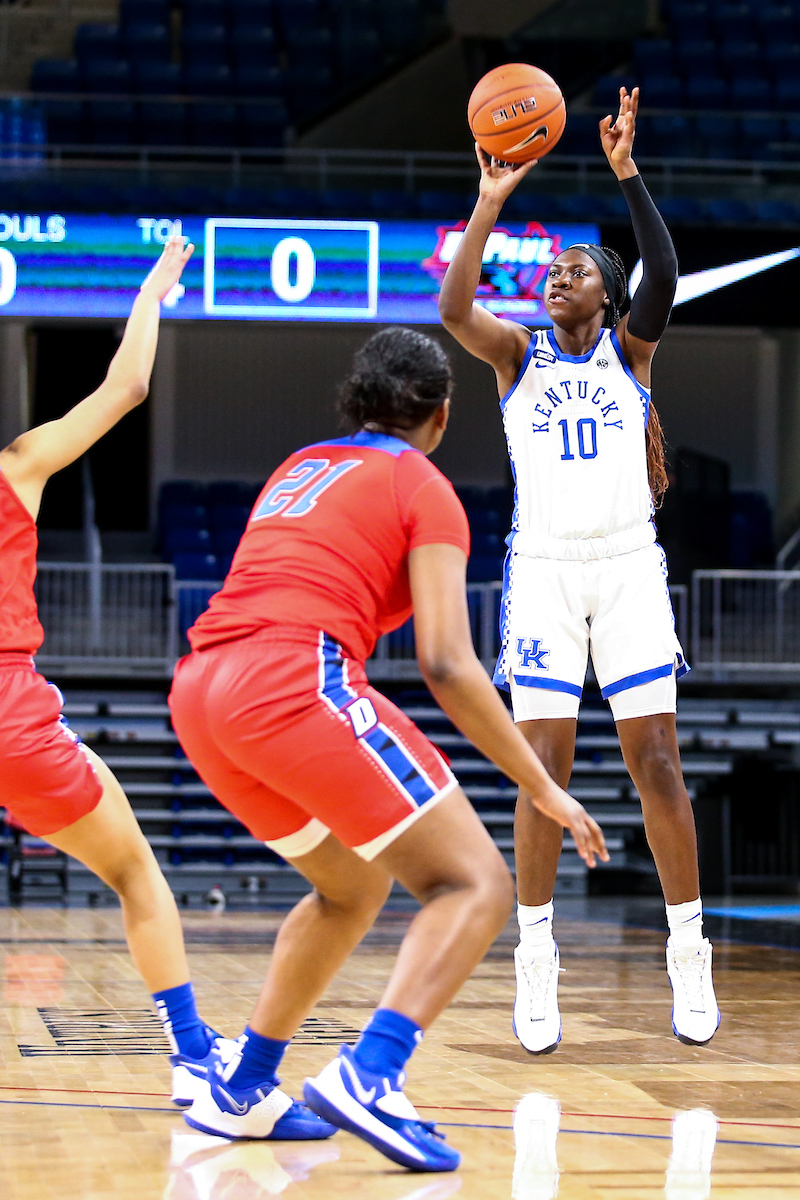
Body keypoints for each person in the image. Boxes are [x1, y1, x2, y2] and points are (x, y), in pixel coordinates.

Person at [168, 325, 608, 1173]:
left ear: (357, 402)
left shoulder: (300, 466)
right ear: (441, 416)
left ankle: (245, 1085)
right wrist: (545, 788)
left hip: (202, 688)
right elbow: (446, 660)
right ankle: (371, 1073)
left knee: (351, 884)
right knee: (476, 884)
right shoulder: (424, 484)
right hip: (292, 678)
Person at [438, 87, 720, 1054]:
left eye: (574, 271)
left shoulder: (630, 356)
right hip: (546, 575)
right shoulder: (516, 358)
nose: (557, 279)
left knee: (657, 764)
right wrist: (488, 200)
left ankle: (689, 952)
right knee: (542, 771)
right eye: (551, 271)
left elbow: (667, 274)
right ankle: (536, 955)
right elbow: (452, 306)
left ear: (607, 292)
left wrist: (627, 173)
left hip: (629, 566)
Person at [0, 237, 247, 1117]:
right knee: (139, 873)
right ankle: (191, 1056)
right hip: (10, 717)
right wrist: (150, 290)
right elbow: (128, 388)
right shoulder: (17, 466)